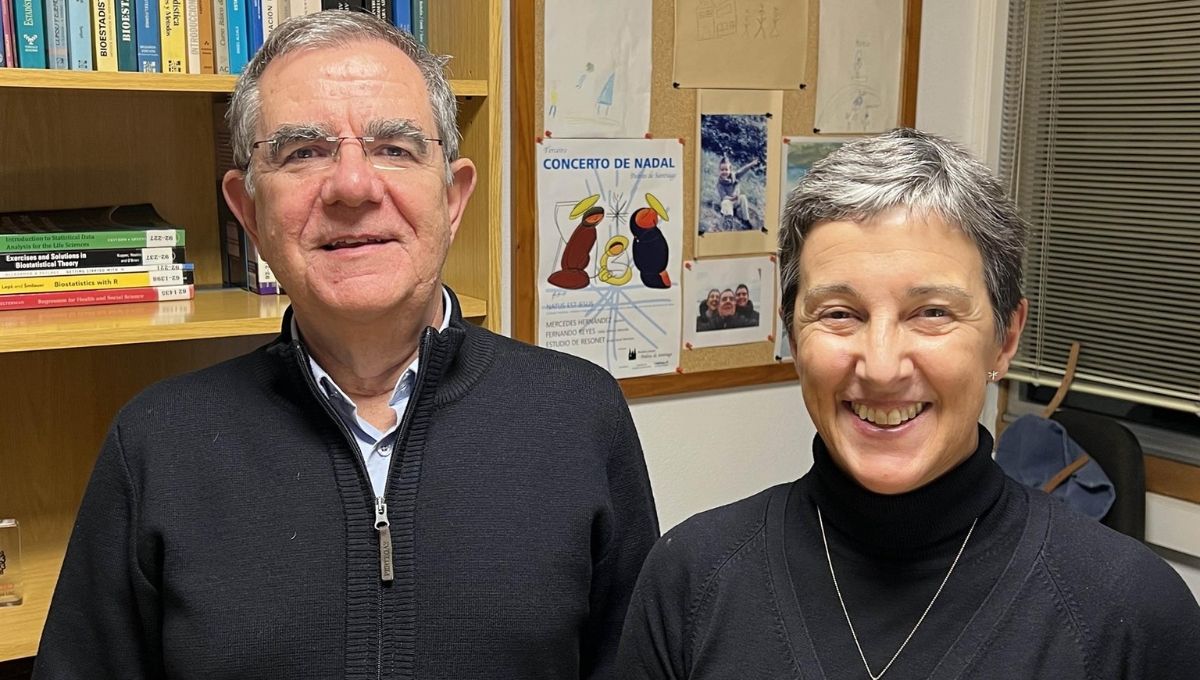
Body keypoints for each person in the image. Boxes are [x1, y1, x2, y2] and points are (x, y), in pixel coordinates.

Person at [34, 11, 658, 680]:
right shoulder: (156, 445)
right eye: (303, 151)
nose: (353, 187)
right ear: (247, 210)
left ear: (452, 197)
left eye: (395, 147)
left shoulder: (579, 416)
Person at [617, 128, 1200, 678]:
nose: (881, 366)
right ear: (794, 337)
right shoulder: (691, 580)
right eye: (840, 313)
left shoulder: (1129, 611)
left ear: (1006, 337)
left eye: (932, 313)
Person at [715, 151, 758, 226]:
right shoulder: (720, 184)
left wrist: (751, 164)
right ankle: (729, 219)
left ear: (730, 170)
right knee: (725, 203)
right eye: (722, 170)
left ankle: (746, 219)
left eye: (726, 169)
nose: (724, 172)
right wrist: (732, 198)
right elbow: (724, 197)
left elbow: (743, 170)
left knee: (743, 197)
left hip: (735, 201)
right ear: (719, 171)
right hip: (728, 202)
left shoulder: (735, 176)